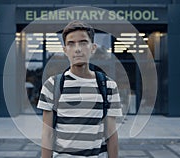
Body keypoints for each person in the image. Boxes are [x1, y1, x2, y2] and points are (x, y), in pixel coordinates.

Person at [37, 20, 122, 158]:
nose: (77, 49)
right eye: (71, 43)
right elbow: (47, 134)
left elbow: (111, 135)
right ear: (65, 50)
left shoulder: (108, 86)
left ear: (93, 47)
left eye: (83, 42)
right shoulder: (52, 85)